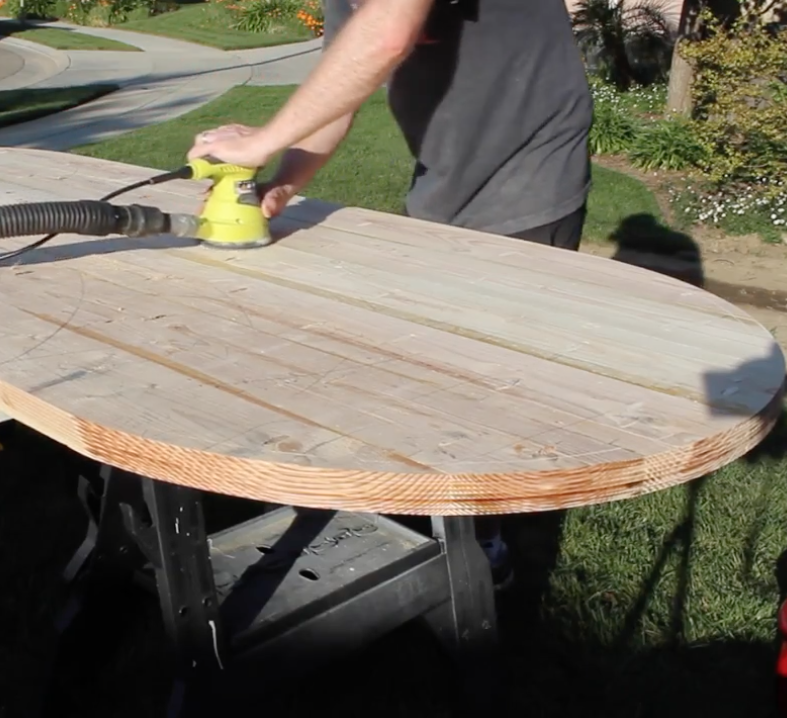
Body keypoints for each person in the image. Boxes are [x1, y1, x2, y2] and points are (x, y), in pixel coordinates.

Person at [186, 0, 595, 589]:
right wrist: (281, 186)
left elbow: (387, 35)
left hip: (530, 166)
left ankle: (483, 550)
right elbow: (344, 83)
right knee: (439, 367)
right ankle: (437, 512)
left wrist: (261, 141)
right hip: (444, 179)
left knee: (492, 383)